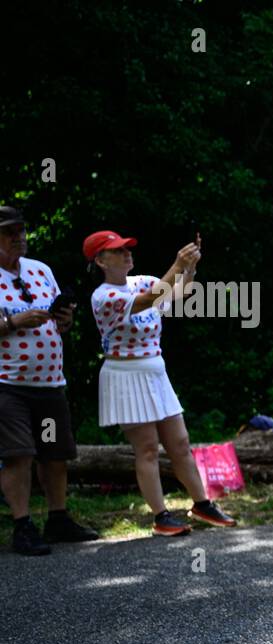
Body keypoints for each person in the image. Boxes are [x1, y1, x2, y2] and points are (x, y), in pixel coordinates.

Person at [87, 229, 238, 536]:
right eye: (118, 250)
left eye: (128, 248)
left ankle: (201, 504)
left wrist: (190, 266)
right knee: (147, 450)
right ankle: (160, 516)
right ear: (101, 260)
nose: (127, 253)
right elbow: (153, 298)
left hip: (156, 372)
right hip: (126, 376)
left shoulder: (140, 279)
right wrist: (176, 263)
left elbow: (180, 292)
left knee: (180, 443)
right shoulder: (103, 296)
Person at [0, 206, 99, 555]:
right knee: (19, 454)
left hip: (49, 383)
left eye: (21, 231)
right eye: (10, 232)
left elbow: (62, 326)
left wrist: (65, 318)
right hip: (8, 384)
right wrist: (14, 322)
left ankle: (57, 519)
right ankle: (22, 525)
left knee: (54, 453)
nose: (18, 237)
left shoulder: (40, 270)